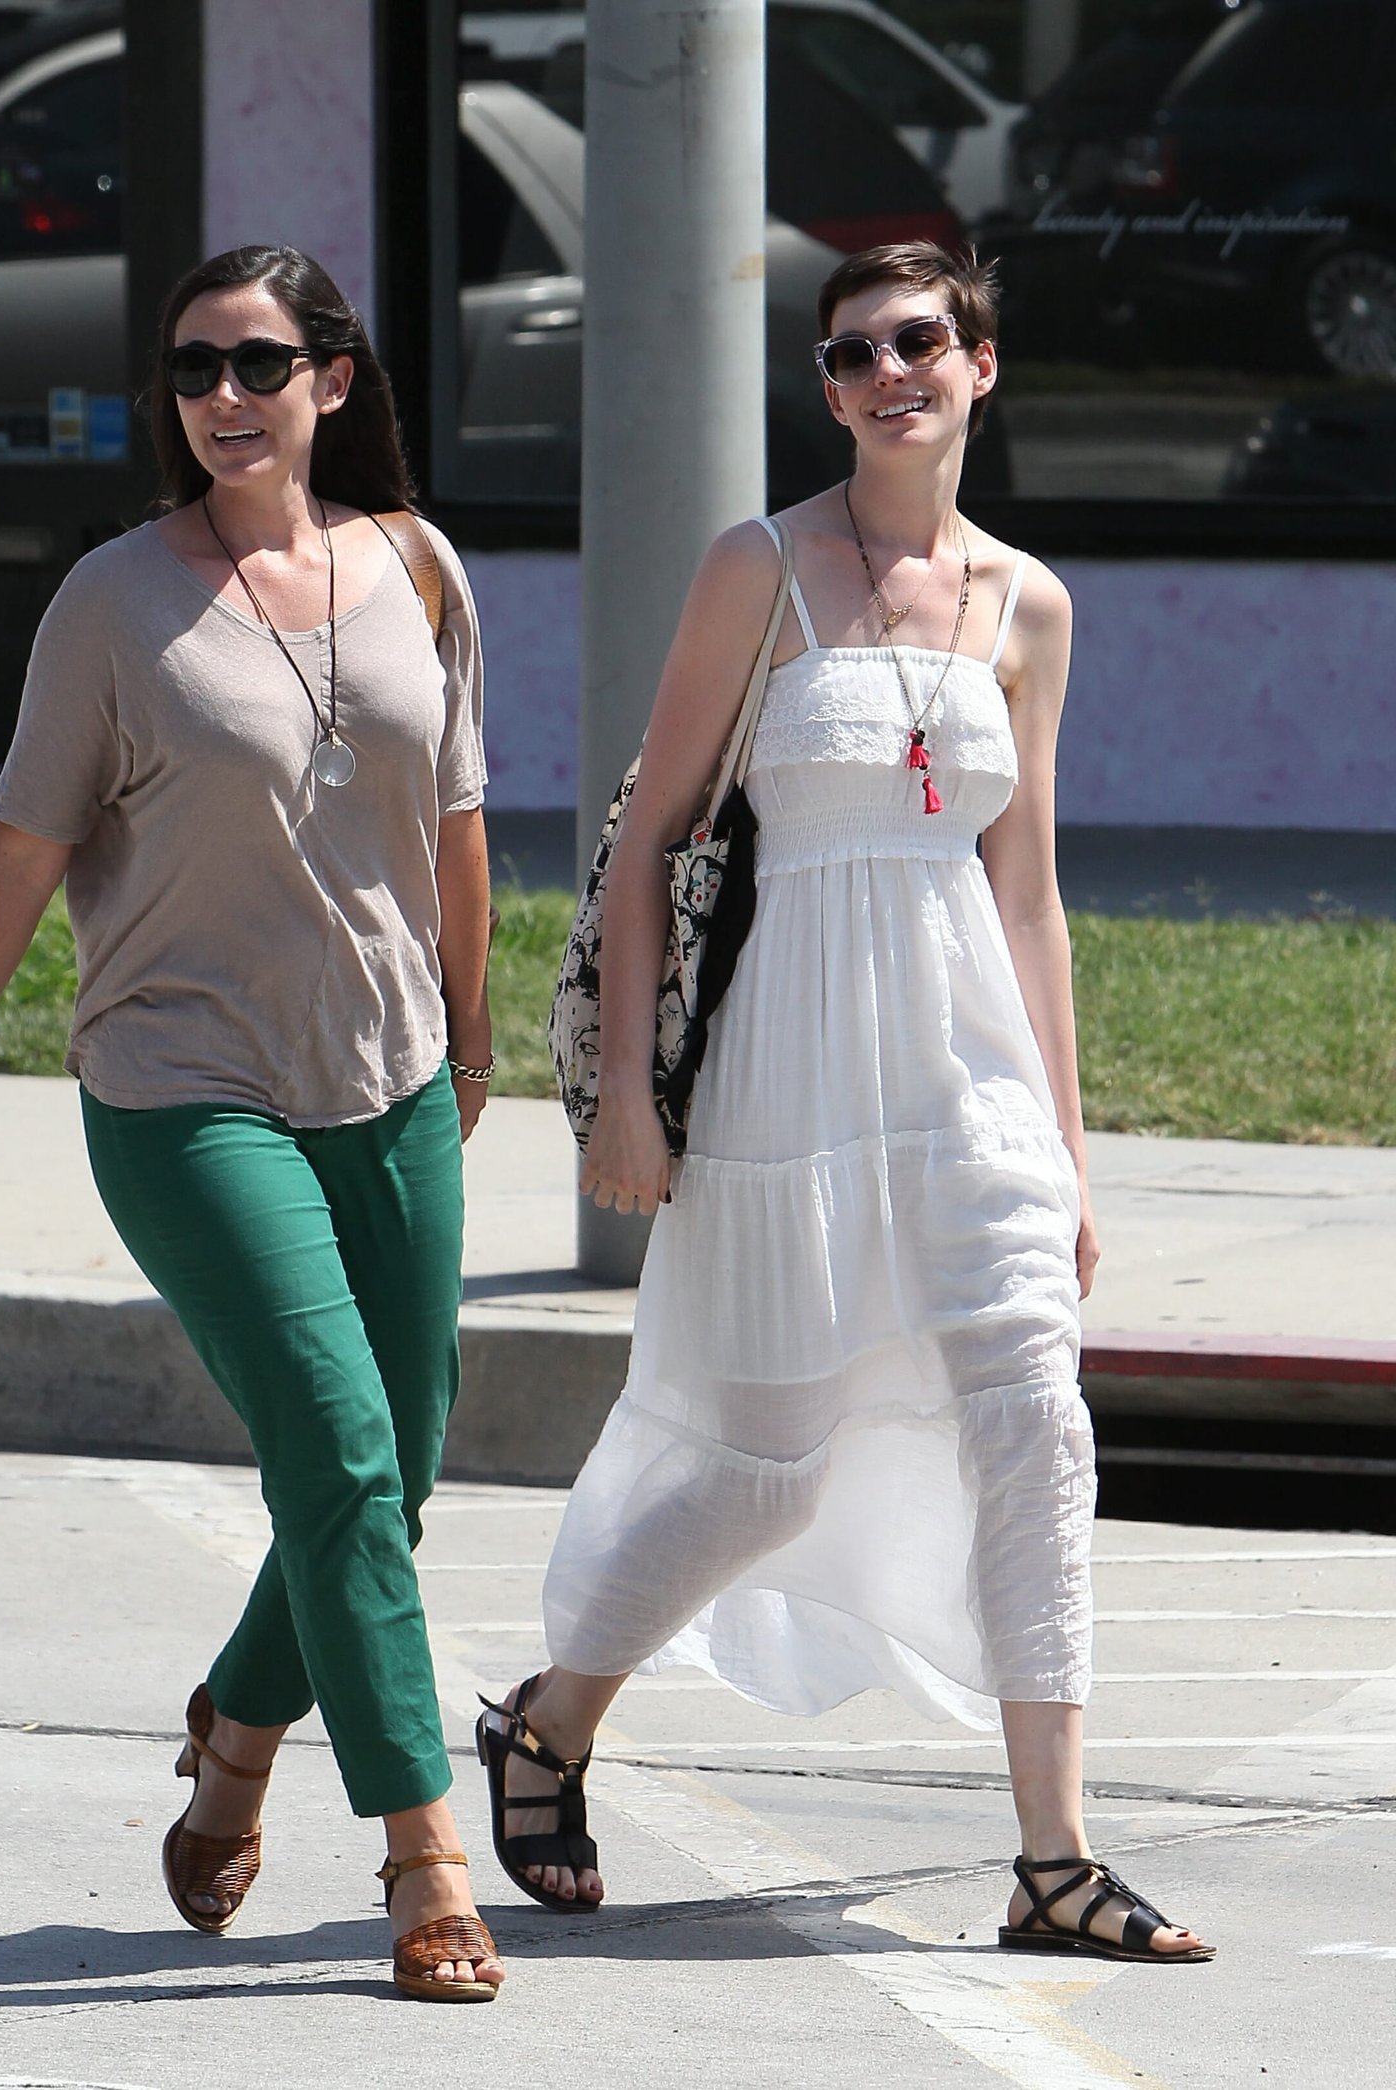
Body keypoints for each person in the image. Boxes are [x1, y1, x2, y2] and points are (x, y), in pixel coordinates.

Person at [478, 242, 1212, 1966]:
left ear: (979, 364)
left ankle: (1055, 1861)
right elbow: (650, 839)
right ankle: (552, 1718)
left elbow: (1028, 895)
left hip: (972, 1085)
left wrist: (1070, 1149)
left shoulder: (1031, 606)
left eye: (918, 340)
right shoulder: (763, 568)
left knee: (1035, 1431)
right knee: (768, 1466)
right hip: (786, 1080)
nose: (888, 372)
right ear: (828, 389)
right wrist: (627, 1098)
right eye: (851, 353)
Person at [0, 245, 506, 2002]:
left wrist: (470, 1031)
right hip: (184, 1088)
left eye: (258, 363)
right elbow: (20, 849)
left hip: (391, 1073)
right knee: (340, 1449)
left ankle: (235, 1731)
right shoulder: (112, 604)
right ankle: (425, 1858)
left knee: (399, 1466)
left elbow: (458, 820)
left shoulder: (419, 567)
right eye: (191, 368)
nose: (222, 396)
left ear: (332, 379)